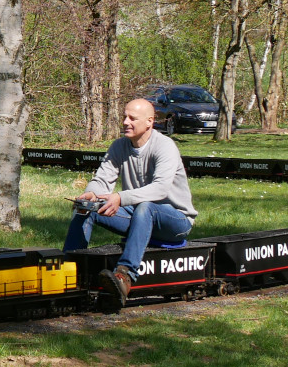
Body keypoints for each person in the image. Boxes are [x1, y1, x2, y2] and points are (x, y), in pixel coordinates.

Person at [68, 98, 199, 302]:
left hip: (176, 221)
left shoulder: (165, 146)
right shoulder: (119, 146)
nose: (125, 122)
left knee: (146, 207)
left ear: (149, 122)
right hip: (139, 216)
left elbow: (160, 189)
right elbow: (102, 180)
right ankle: (69, 268)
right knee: (86, 208)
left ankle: (125, 275)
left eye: (132, 118)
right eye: (124, 117)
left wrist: (121, 197)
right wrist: (91, 194)